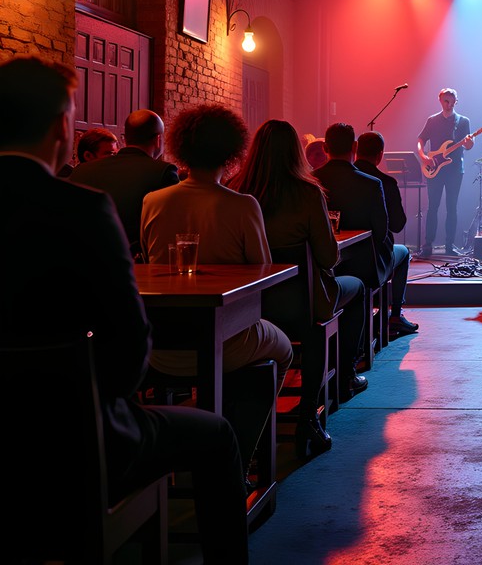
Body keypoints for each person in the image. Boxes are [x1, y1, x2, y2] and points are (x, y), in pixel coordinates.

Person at [0, 56, 249, 563]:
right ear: (61, 128)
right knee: (216, 435)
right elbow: (131, 349)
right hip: (77, 441)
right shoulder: (81, 209)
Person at [140, 104, 293, 471]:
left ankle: (196, 435)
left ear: (182, 149)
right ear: (231, 152)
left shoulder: (152, 201)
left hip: (160, 346)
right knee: (284, 351)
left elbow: (149, 260)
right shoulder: (243, 206)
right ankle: (239, 457)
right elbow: (262, 274)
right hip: (228, 342)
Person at [231, 120, 368, 457]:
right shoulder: (307, 193)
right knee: (357, 289)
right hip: (301, 306)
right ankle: (323, 400)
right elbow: (328, 257)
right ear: (296, 152)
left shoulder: (235, 189)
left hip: (249, 306)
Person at [313, 122, 417, 338]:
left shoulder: (312, 182)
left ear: (325, 148)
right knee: (403, 252)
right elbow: (385, 230)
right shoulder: (374, 183)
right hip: (367, 263)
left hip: (324, 265)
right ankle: (395, 316)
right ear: (354, 147)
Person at [69, 109, 179, 260]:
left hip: (82, 262)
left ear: (126, 138)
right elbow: (171, 231)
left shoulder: (81, 171)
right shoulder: (163, 172)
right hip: (138, 266)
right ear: (158, 139)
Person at [355, 130, 415, 335]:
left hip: (344, 258)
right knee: (404, 253)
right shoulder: (385, 183)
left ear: (356, 150)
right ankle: (395, 315)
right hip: (375, 257)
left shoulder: (335, 180)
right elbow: (397, 225)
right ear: (380, 155)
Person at [416, 87, 474, 257]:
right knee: (432, 207)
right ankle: (427, 245)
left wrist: (469, 143)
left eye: (452, 101)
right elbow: (421, 139)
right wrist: (423, 156)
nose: (449, 105)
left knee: (452, 207)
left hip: (455, 170)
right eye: (445, 101)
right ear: (440, 101)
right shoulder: (432, 120)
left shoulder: (463, 121)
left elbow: (469, 146)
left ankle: (449, 245)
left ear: (456, 102)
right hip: (434, 168)